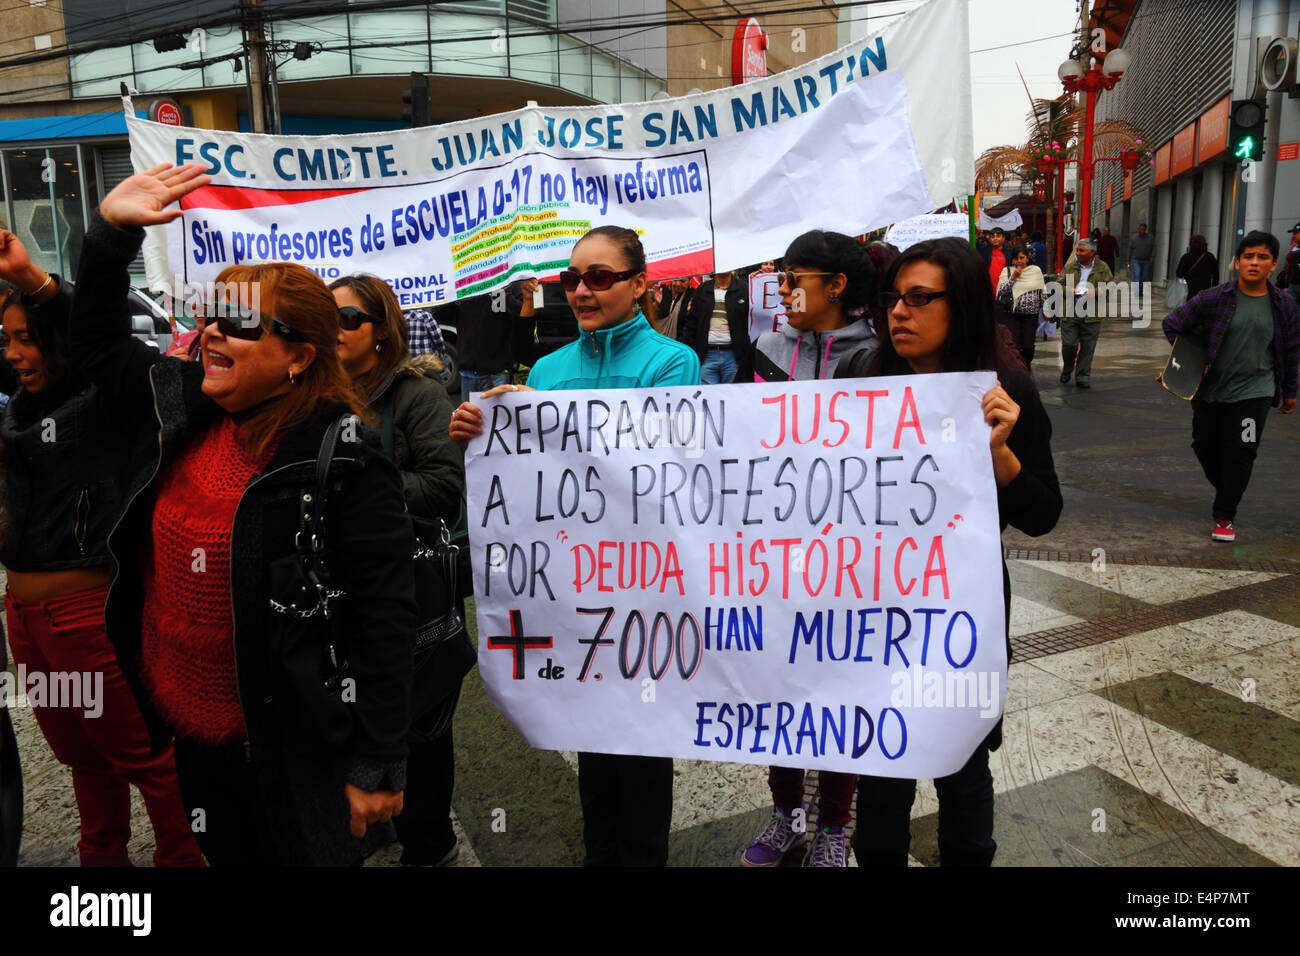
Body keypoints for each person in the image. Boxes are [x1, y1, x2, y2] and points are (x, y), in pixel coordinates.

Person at [70, 163, 418, 866]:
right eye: (209, 317)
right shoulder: (183, 408)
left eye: (241, 323)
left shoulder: (343, 461)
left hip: (289, 752)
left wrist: (378, 763)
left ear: (299, 357)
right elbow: (97, 349)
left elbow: (387, 621)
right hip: (191, 739)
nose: (212, 335)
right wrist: (110, 236)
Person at [450, 225, 699, 866]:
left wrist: (547, 420)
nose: (581, 290)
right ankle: (599, 852)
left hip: (643, 586)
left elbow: (658, 466)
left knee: (642, 738)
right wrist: (481, 434)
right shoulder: (548, 368)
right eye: (571, 278)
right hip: (568, 588)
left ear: (640, 284)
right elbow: (533, 477)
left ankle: (643, 856)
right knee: (591, 732)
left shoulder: (674, 363)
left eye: (599, 277)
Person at [854, 236, 1061, 867]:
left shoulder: (1008, 391)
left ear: (963, 304)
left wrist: (1000, 453)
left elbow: (1042, 514)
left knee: (963, 768)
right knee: (881, 771)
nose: (899, 312)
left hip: (957, 610)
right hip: (871, 605)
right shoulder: (861, 377)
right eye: (894, 297)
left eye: (920, 298)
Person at [0, 234, 203, 868]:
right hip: (26, 622)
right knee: (82, 762)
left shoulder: (106, 401)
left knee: (146, 759)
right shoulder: (22, 407)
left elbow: (95, 334)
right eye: (5, 339)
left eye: (26, 338)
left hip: (87, 616)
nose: (13, 354)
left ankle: (185, 857)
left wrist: (34, 277)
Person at [737, 230, 877, 868]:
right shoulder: (765, 348)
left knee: (839, 692)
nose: (783, 290)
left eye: (795, 279)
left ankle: (834, 828)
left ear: (836, 286)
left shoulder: (878, 356)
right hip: (772, 556)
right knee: (778, 687)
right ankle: (786, 813)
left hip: (848, 561)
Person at [329, 273, 466, 867]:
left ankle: (431, 846)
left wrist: (363, 489)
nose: (336, 330)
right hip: (343, 599)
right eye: (325, 317)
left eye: (349, 319)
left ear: (382, 332)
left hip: (416, 602)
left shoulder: (416, 394)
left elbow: (444, 486)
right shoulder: (317, 392)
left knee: (421, 734)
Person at [1162, 230, 1299, 542]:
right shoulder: (1214, 299)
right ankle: (1229, 488)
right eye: (1248, 256)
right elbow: (1172, 323)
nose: (1254, 262)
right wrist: (1193, 358)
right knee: (1204, 445)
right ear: (1237, 263)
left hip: (1256, 393)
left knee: (1243, 449)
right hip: (1211, 391)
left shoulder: (1284, 305)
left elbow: (1291, 350)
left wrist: (1290, 391)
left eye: (1262, 257)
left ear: (1274, 264)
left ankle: (1224, 515)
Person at [1057, 237, 1114, 389]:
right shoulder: (1070, 267)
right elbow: (1058, 286)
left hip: (1092, 312)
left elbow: (1111, 288)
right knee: (1069, 344)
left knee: (1088, 347)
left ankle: (1083, 376)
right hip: (1071, 310)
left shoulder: (1103, 268)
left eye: (1081, 250)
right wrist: (1070, 291)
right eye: (1077, 250)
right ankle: (1067, 369)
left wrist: (1096, 292)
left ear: (1092, 252)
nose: (1078, 253)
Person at [683, 269, 751, 383]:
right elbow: (691, 323)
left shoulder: (744, 289)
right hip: (706, 356)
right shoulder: (702, 290)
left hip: (734, 357)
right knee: (707, 398)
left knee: (733, 397)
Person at [994, 245, 1046, 367]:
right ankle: (1019, 368)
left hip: (1031, 315)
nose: (1019, 261)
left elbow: (1042, 291)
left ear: (1027, 258)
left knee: (1028, 345)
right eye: (1016, 259)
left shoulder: (1035, 270)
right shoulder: (1007, 271)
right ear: (1012, 260)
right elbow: (1001, 291)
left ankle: (1026, 365)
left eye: (1022, 258)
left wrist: (1046, 310)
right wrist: (1013, 278)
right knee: (1015, 344)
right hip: (1012, 314)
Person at [1175, 235, 1219, 299]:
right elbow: (1216, 276)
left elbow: (1179, 274)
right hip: (1205, 292)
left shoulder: (1186, 257)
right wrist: (1213, 290)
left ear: (1191, 244)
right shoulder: (1210, 257)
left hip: (1190, 292)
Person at [654, 277, 693, 341]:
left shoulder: (692, 296)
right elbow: (652, 318)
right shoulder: (662, 291)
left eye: (682, 281)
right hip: (660, 341)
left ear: (690, 281)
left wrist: (690, 313)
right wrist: (657, 305)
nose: (678, 284)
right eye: (675, 280)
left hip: (680, 343)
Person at [1128, 222, 1155, 305]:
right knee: (1137, 274)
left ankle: (1140, 291)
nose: (1140, 231)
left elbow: (1154, 248)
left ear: (1145, 230)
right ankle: (1136, 292)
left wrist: (1152, 257)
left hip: (1146, 260)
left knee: (1144, 277)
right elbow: (1130, 249)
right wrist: (1128, 259)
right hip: (1135, 259)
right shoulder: (1134, 238)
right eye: (1139, 229)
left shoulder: (1150, 238)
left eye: (1142, 229)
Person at [979, 227, 1007, 293]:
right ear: (989, 239)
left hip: (1004, 290)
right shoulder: (984, 250)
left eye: (998, 236)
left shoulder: (1009, 252)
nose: (995, 238)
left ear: (1003, 238)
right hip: (987, 290)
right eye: (992, 236)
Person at [1281, 222, 1300, 306]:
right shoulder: (1295, 249)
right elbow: (1291, 269)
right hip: (1293, 285)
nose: (1293, 235)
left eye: (1296, 233)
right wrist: (1287, 285)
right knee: (1289, 310)